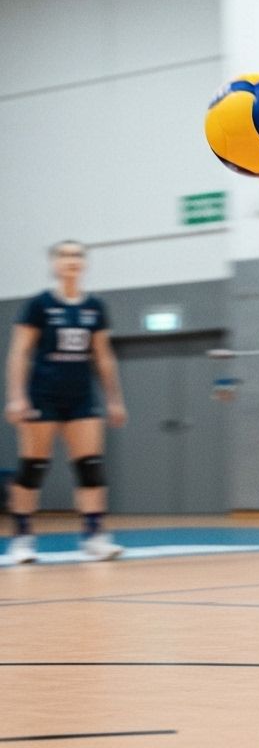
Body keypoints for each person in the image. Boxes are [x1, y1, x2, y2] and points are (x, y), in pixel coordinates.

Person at [4, 240, 126, 563]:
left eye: (77, 256)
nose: (72, 261)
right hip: (42, 395)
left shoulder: (94, 307)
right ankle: (23, 538)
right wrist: (16, 396)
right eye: (65, 255)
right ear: (55, 264)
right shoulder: (39, 305)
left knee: (90, 467)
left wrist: (114, 399)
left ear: (83, 264)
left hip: (81, 398)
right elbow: (19, 352)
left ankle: (94, 535)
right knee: (33, 468)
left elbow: (103, 356)